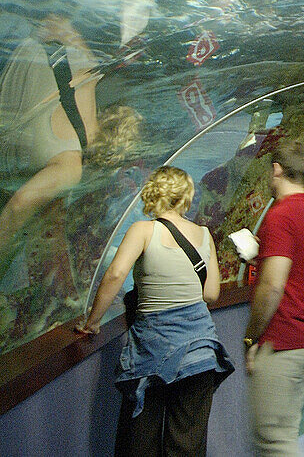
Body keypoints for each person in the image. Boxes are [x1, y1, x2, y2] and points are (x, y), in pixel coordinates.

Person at [78, 166, 234, 457]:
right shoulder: (203, 234)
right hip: (200, 354)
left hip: (153, 354)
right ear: (185, 198)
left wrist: (93, 322)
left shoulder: (143, 230)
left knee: (139, 444)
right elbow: (211, 294)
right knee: (187, 445)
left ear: (152, 194)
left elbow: (114, 275)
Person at [0, 14, 141, 290]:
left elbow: (59, 26)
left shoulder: (92, 69)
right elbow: (18, 205)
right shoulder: (71, 165)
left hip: (8, 41)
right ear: (104, 162)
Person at [243, 140, 304, 456]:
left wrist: (251, 339)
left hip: (284, 340)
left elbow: (272, 287)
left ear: (277, 170)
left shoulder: (281, 216)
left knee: (273, 440)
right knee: (285, 432)